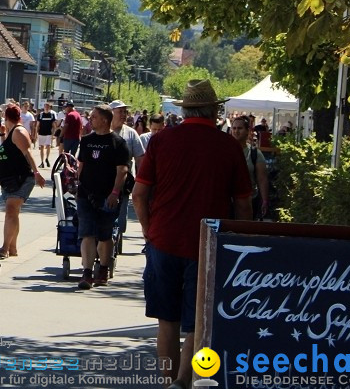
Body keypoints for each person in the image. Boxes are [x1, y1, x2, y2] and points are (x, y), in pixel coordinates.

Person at [133, 80, 252, 388]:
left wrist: (149, 231)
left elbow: (139, 194)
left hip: (163, 239)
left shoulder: (161, 141)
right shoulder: (229, 146)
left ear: (185, 110)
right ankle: (184, 382)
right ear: (215, 110)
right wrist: (239, 243)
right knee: (196, 323)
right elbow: (242, 204)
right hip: (208, 245)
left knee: (167, 322)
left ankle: (167, 380)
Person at [75, 104, 128, 290]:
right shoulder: (87, 141)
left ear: (105, 120)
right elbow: (81, 165)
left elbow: (122, 170)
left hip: (108, 197)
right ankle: (87, 272)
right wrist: (78, 185)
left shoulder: (118, 143)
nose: (90, 119)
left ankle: (103, 268)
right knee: (87, 233)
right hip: (86, 195)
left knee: (105, 235)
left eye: (94, 117)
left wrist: (115, 192)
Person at [0, 104, 46, 259]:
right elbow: (6, 152)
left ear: (6, 116)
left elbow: (27, 153)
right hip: (9, 179)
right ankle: (12, 248)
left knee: (11, 210)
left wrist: (37, 173)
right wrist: (3, 136)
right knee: (13, 212)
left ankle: (4, 248)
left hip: (20, 178)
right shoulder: (11, 132)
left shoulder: (18, 131)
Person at [108, 99, 145, 240]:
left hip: (123, 182)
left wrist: (142, 182)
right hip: (101, 181)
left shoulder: (131, 134)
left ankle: (116, 239)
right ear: (111, 114)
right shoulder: (101, 131)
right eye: (120, 112)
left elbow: (140, 159)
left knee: (120, 219)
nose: (124, 114)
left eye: (125, 111)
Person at [230, 115, 270, 220]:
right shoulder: (224, 151)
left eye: (240, 128)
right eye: (234, 128)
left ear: (248, 131)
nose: (236, 131)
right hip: (227, 202)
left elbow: (262, 179)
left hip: (249, 201)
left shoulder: (255, 153)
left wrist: (265, 201)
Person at [35, 101, 57, 168]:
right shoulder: (41, 115)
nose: (46, 108)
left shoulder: (51, 115)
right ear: (44, 107)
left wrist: (53, 134)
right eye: (45, 106)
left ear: (49, 107)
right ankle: (42, 162)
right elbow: (37, 125)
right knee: (41, 147)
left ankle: (47, 158)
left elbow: (54, 126)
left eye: (48, 106)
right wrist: (36, 133)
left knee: (48, 146)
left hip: (48, 133)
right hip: (41, 133)